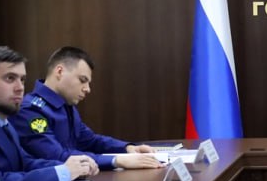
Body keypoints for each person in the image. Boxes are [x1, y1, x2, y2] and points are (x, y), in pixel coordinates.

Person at [0, 45, 98, 181]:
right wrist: (63, 173)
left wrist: (70, 167)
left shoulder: (1, 120)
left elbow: (25, 162)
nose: (20, 88)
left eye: (22, 79)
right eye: (10, 78)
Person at [15, 46, 162, 171]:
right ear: (59, 72)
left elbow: (90, 141)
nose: (87, 89)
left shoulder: (66, 106)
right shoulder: (30, 110)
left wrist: (127, 148)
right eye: (82, 80)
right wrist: (116, 160)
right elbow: (56, 156)